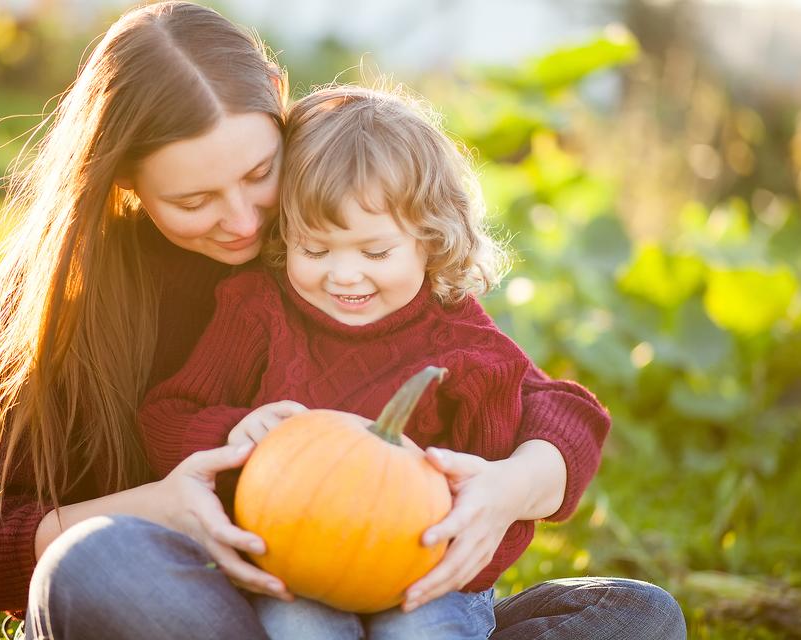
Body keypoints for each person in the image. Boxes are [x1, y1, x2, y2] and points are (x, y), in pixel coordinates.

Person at [0, 2, 686, 639]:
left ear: (278, 106)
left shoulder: (335, 245)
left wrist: (513, 486)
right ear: (122, 182)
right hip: (201, 595)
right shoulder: (63, 303)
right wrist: (153, 510)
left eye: (260, 174)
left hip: (389, 594)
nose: (242, 220)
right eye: (194, 201)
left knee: (636, 615)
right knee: (95, 565)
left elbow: (538, 394)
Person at [135, 84, 603, 640]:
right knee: (300, 628)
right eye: (315, 250)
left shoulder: (456, 335)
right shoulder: (259, 308)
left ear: (430, 239)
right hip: (289, 569)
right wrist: (232, 433)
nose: (344, 274)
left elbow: (568, 414)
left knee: (431, 632)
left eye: (375, 252)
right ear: (286, 234)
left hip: (427, 581)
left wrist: (507, 484)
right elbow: (166, 416)